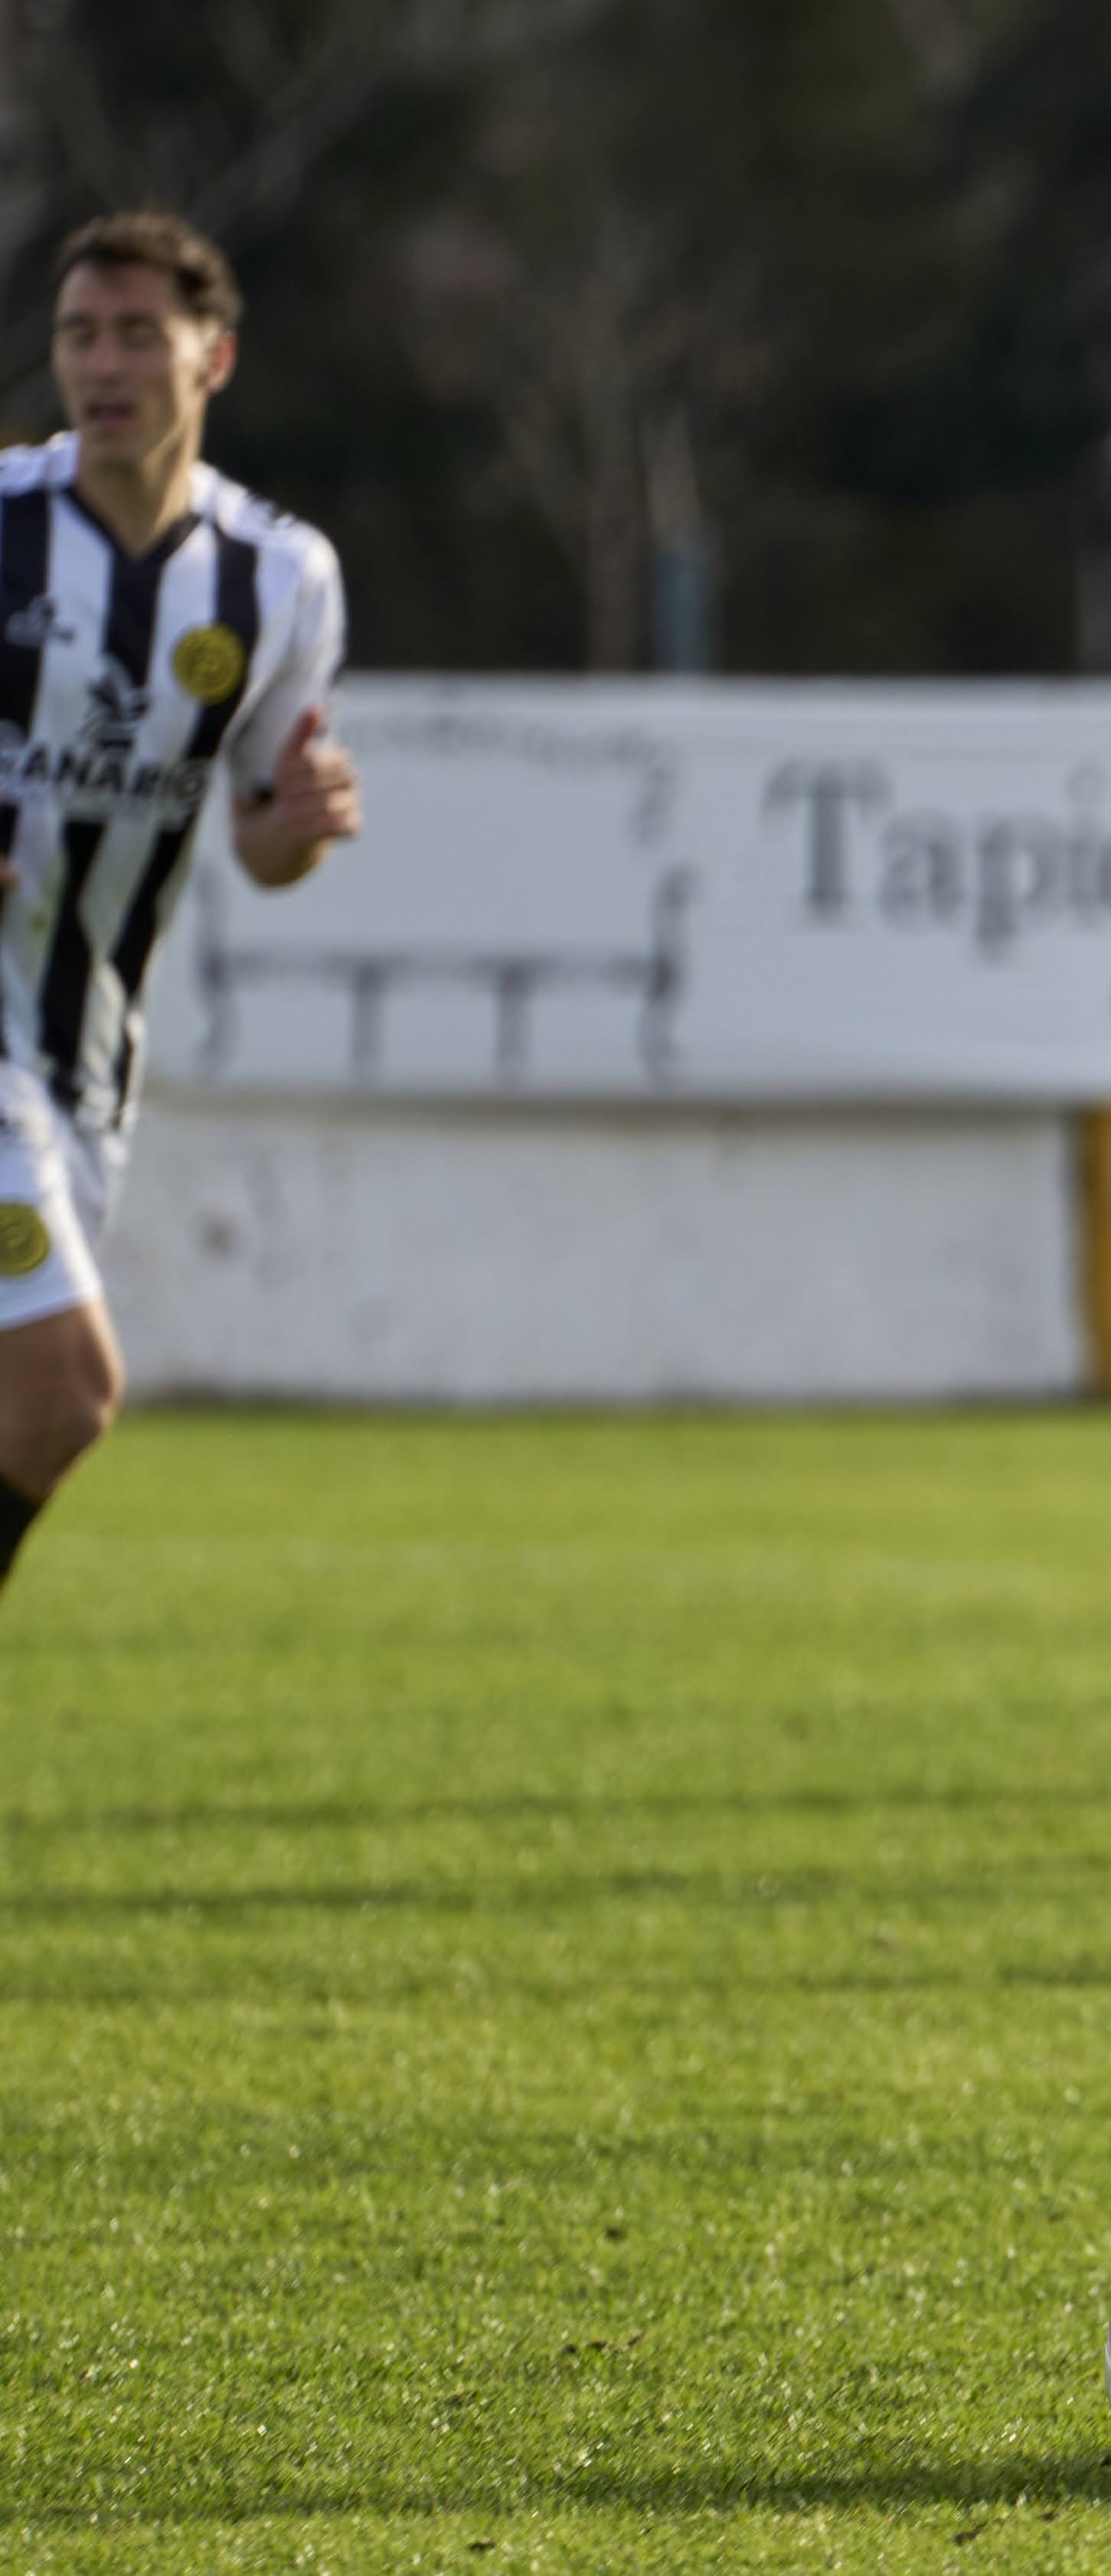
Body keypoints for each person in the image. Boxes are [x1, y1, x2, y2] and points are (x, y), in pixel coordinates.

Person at [0, 211, 357, 1602]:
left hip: (85, 1056)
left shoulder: (278, 580)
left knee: (30, 1404)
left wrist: (293, 826)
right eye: (80, 333)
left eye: (138, 334)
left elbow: (267, 844)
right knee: (69, 1386)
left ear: (214, 359)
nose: (103, 364)